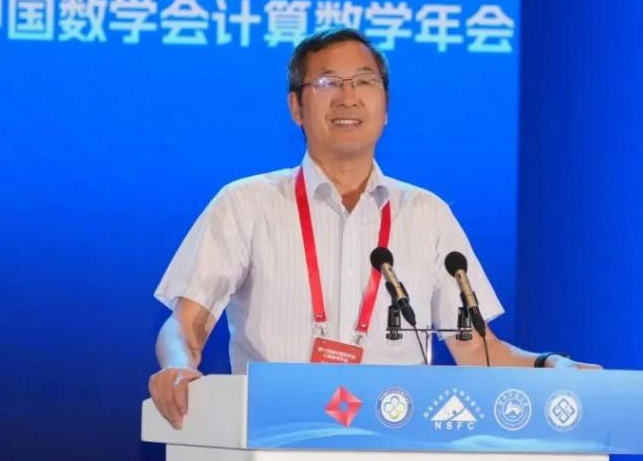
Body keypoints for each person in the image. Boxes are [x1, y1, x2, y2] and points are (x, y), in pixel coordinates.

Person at [149, 28, 597, 429]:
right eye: (328, 82)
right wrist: (177, 367)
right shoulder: (246, 204)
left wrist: (550, 365)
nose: (348, 97)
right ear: (296, 107)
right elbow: (186, 324)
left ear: (385, 108)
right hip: (274, 440)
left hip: (396, 445)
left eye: (364, 82)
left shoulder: (426, 213)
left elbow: (478, 351)